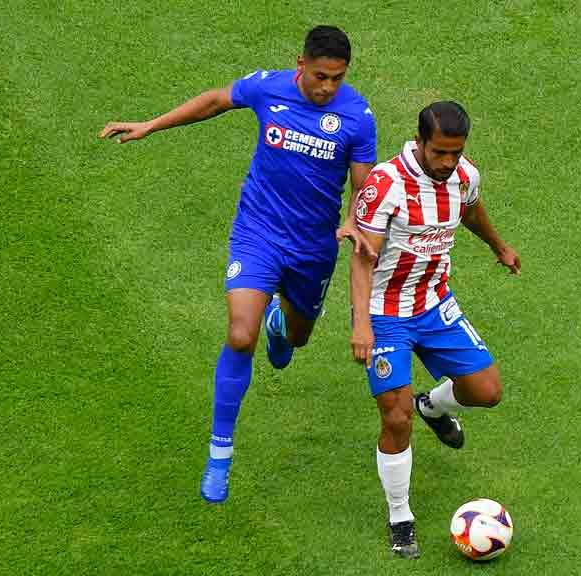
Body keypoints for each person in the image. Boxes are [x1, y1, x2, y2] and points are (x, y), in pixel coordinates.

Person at [100, 25, 377, 504]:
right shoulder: (269, 87)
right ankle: (219, 454)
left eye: (336, 78)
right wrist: (151, 124)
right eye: (319, 76)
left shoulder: (356, 116)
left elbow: (363, 185)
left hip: (313, 247)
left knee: (297, 336)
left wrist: (353, 220)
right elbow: (214, 101)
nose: (326, 87)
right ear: (300, 65)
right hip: (259, 234)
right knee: (238, 335)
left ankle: (280, 323)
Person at [348, 101, 520, 558]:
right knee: (394, 415)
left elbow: (471, 209)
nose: (448, 162)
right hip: (385, 314)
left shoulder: (463, 175)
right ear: (420, 141)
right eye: (440, 152)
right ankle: (400, 515)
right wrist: (361, 323)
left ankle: (433, 405)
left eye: (456, 152)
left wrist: (498, 246)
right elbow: (363, 260)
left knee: (486, 391)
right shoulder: (386, 186)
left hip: (433, 303)